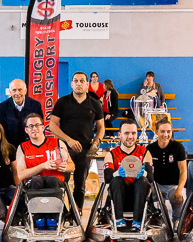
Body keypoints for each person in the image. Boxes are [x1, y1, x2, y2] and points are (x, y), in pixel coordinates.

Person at [48, 72, 105, 210]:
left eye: (82, 81)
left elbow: (101, 127)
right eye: (76, 81)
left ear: (87, 84)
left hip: (85, 150)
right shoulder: (62, 102)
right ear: (72, 84)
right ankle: (60, 213)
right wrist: (69, 140)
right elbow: (52, 125)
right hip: (65, 150)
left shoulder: (95, 104)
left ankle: (76, 214)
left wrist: (96, 144)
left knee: (80, 186)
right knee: (62, 183)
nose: (79, 83)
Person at [15, 113, 75, 230]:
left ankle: (53, 218)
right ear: (26, 130)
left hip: (55, 182)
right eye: (31, 126)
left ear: (43, 127)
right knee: (36, 180)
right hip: (33, 185)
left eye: (37, 125)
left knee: (52, 180)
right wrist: (42, 166)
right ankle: (38, 218)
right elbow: (21, 174)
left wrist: (65, 167)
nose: (34, 128)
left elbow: (72, 166)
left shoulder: (58, 143)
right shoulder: (22, 148)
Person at [103, 119, 154, 228]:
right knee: (116, 180)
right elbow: (107, 178)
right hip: (119, 196)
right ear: (119, 135)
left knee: (142, 181)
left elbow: (150, 178)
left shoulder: (145, 152)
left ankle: (138, 221)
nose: (130, 137)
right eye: (126, 133)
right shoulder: (111, 154)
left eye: (133, 133)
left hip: (139, 196)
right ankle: (119, 220)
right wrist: (116, 173)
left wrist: (144, 173)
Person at [146, 118, 188, 222]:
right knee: (144, 195)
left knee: (178, 199)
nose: (166, 135)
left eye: (168, 131)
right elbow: (146, 171)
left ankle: (177, 222)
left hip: (172, 186)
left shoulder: (178, 147)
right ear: (156, 132)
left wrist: (179, 190)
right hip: (156, 185)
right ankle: (156, 219)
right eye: (162, 131)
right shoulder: (150, 148)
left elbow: (183, 171)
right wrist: (150, 188)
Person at [0, 79, 42, 146]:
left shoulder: (36, 105)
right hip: (10, 146)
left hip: (32, 145)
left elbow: (39, 127)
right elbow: (2, 130)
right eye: (14, 90)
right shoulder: (2, 107)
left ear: (25, 91)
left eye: (20, 90)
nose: (17, 93)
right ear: (10, 92)